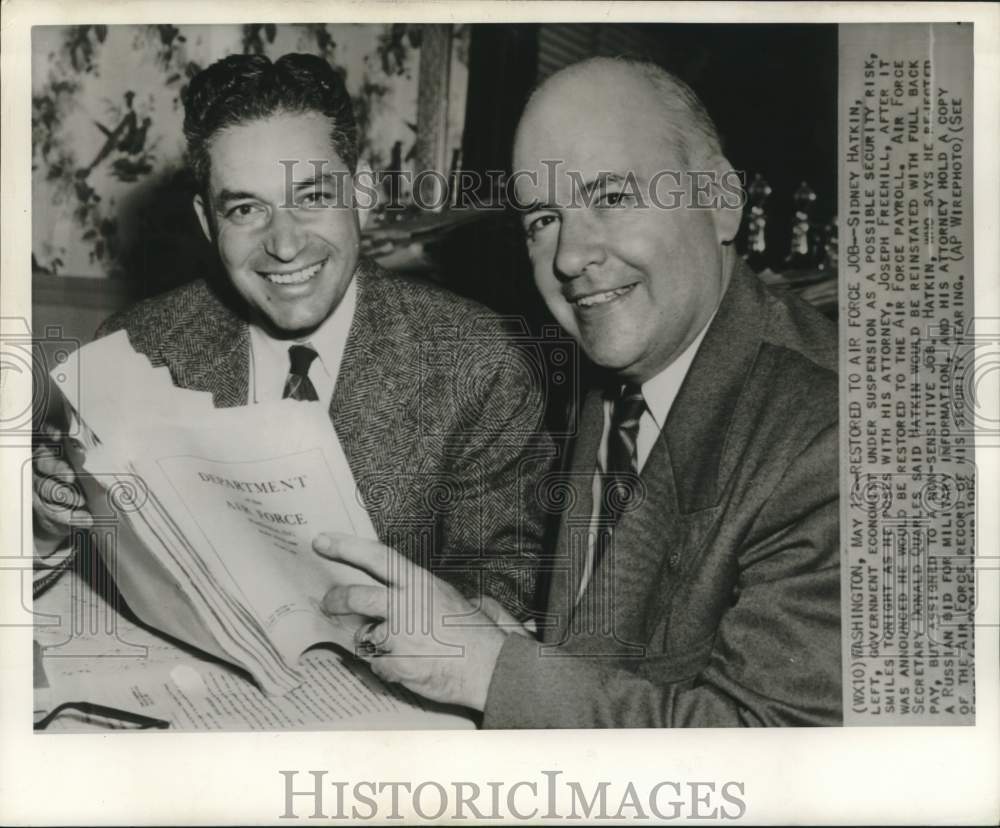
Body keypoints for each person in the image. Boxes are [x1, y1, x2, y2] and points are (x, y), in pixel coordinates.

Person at [315, 56, 842, 727]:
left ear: (721, 199)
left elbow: (773, 758)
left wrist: (486, 669)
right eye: (543, 220)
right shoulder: (617, 370)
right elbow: (619, 646)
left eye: (612, 198)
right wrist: (516, 651)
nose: (568, 256)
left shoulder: (832, 434)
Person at [32, 53, 552, 619]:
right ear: (209, 223)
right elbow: (94, 562)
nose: (283, 244)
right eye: (247, 208)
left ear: (363, 192)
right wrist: (50, 518)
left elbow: (510, 571)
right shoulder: (135, 347)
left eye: (313, 197)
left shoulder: (476, 357)